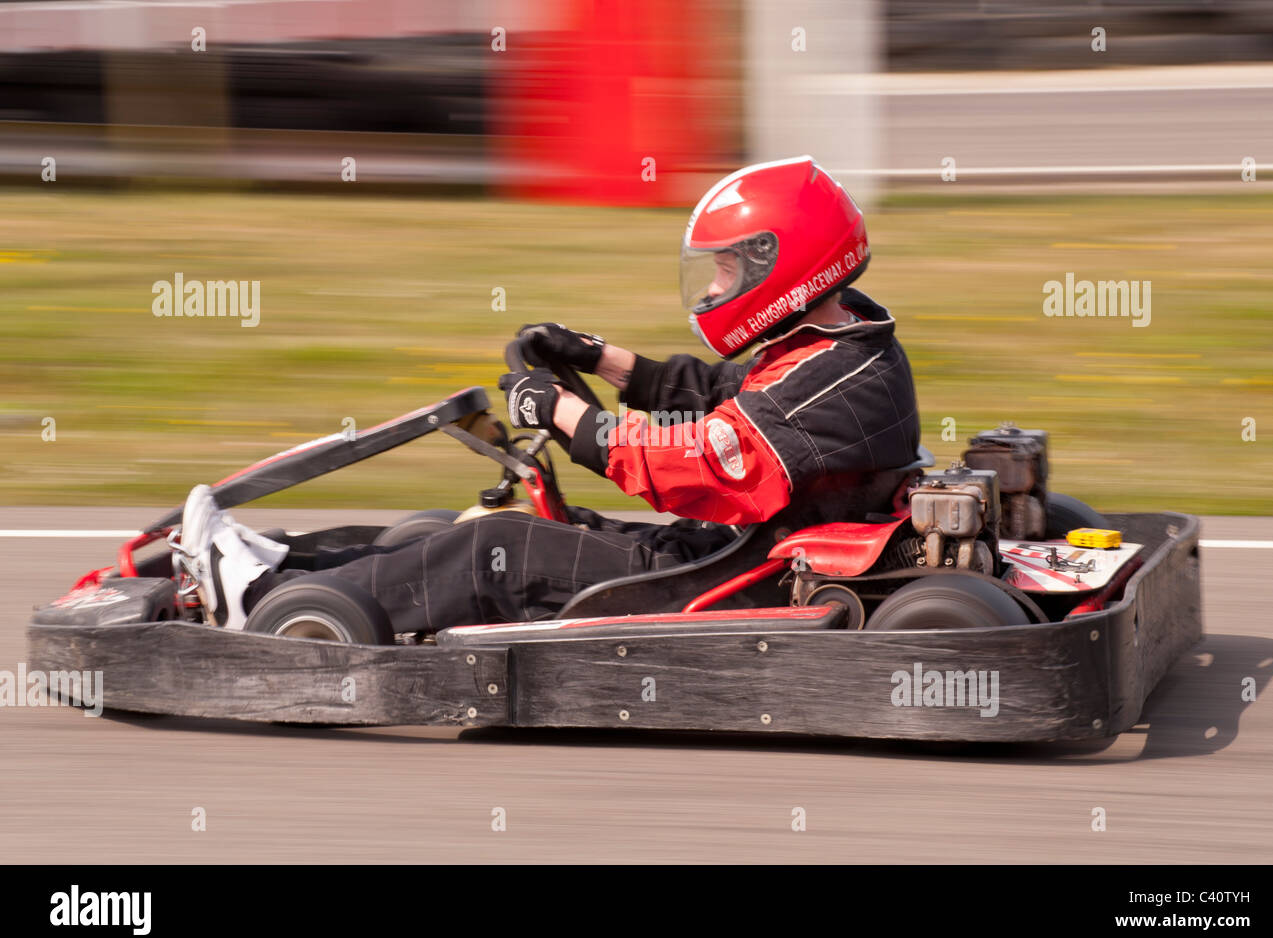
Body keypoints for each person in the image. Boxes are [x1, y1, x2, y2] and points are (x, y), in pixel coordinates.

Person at [179, 155, 921, 634]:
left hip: (744, 585)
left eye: (727, 271)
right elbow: (717, 394)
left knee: (497, 546)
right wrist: (598, 358)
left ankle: (263, 606)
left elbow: (692, 465)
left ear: (777, 265)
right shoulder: (842, 340)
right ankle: (283, 571)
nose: (717, 287)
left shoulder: (838, 381)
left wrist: (562, 414)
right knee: (547, 524)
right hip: (755, 549)